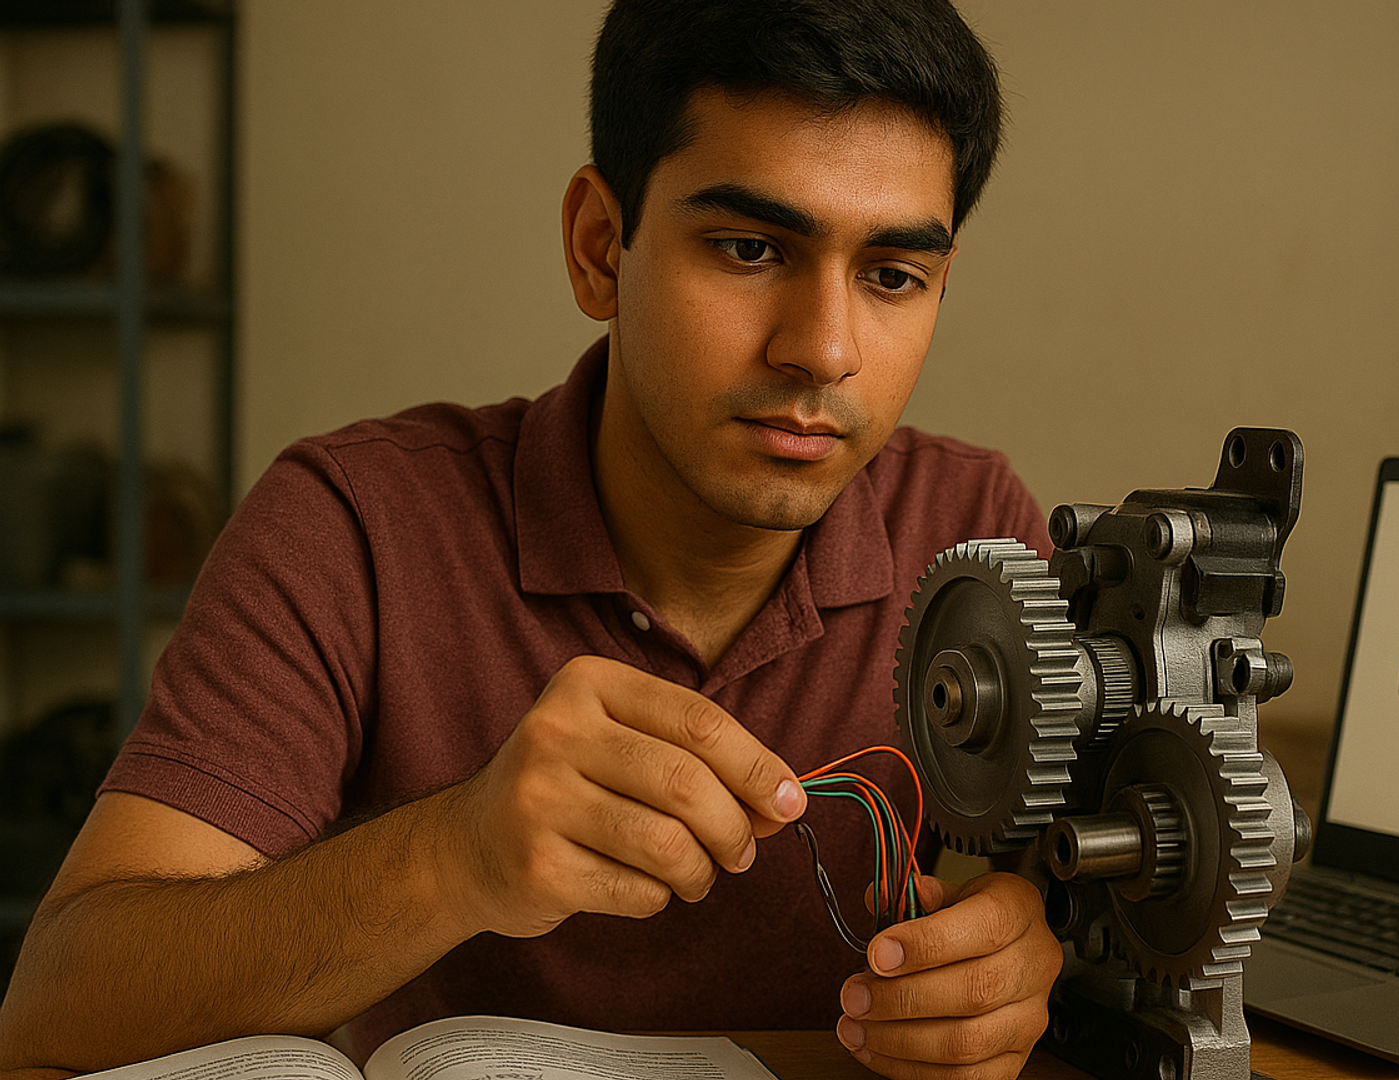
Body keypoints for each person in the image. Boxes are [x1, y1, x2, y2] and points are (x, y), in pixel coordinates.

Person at [0, 2, 1063, 1078]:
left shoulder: (976, 546)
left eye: (892, 275)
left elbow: (1070, 920)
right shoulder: (355, 524)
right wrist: (455, 855)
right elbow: (55, 1010)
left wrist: (1025, 952)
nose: (823, 350)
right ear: (601, 247)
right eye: (749, 248)